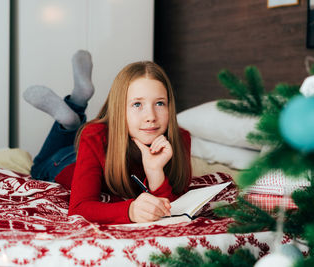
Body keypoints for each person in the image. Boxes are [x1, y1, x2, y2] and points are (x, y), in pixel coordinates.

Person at [24, 50, 192, 224]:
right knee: (38, 168)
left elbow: (175, 209)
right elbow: (79, 208)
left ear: (170, 106)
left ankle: (73, 113)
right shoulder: (95, 135)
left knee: (76, 131)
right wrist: (130, 211)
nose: (150, 116)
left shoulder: (180, 138)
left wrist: (155, 172)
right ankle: (74, 112)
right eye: (137, 104)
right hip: (64, 163)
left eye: (159, 103)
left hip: (91, 152)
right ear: (119, 108)